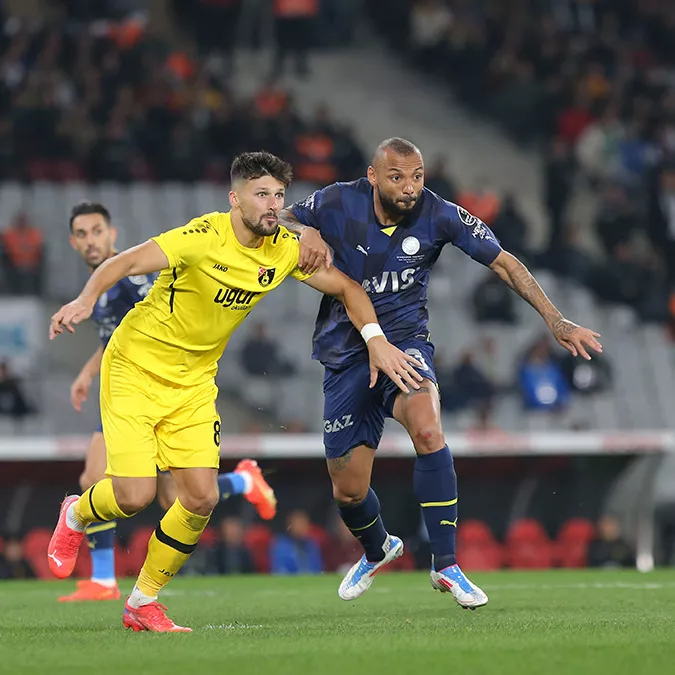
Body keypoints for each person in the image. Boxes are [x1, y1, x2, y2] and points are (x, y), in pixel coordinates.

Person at [47, 151, 421, 632]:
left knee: (200, 499)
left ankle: (142, 603)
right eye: (261, 194)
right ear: (234, 199)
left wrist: (376, 342)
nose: (272, 204)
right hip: (136, 368)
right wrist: (84, 299)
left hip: (195, 381)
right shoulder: (201, 237)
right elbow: (123, 261)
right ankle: (76, 513)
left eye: (279, 195)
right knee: (136, 495)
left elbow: (349, 289)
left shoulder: (285, 250)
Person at [281, 137, 603, 609]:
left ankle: (446, 564)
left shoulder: (440, 214)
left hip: (406, 345)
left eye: (417, 177)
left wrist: (556, 320)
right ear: (373, 177)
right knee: (348, 490)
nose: (409, 188)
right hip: (346, 354)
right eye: (396, 178)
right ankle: (379, 548)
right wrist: (301, 231)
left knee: (429, 429)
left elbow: (505, 262)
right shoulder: (335, 200)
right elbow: (280, 217)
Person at [60, 202, 275, 603]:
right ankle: (244, 481)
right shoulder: (103, 286)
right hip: (127, 388)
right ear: (73, 242)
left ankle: (107, 579)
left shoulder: (126, 281)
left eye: (97, 232)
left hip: (156, 388)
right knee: (127, 486)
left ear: (113, 234)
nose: (91, 241)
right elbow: (116, 337)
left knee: (170, 496)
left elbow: (152, 325)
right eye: (83, 235)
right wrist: (88, 374)